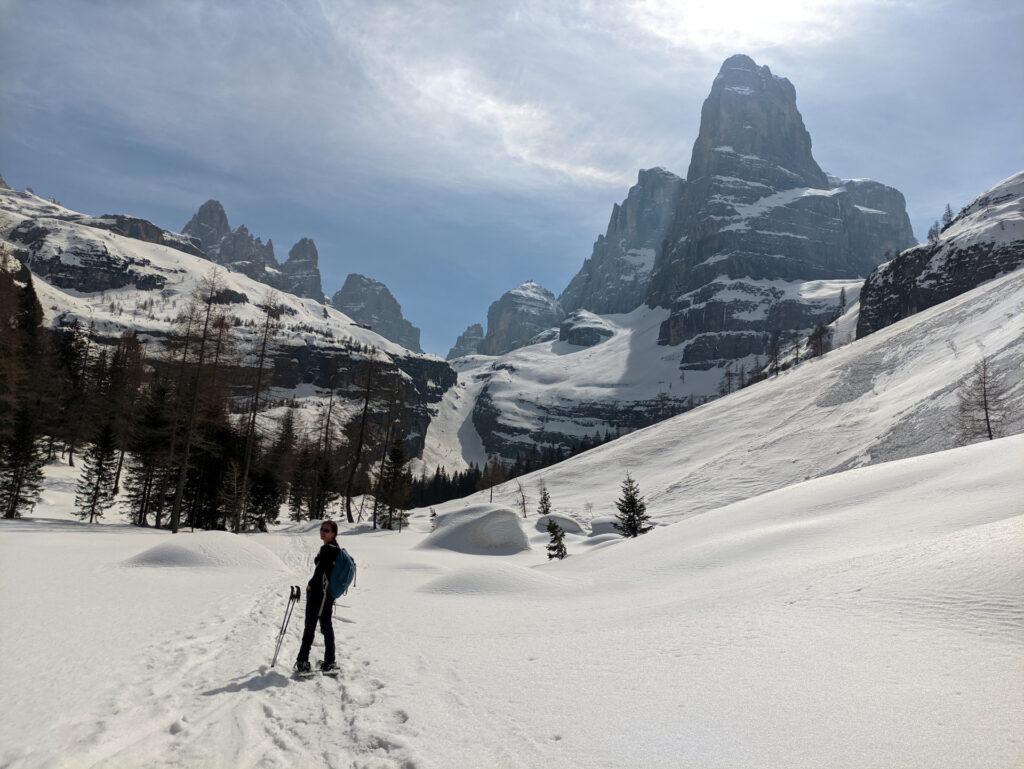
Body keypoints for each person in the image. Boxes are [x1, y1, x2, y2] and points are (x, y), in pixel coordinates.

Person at [295, 520, 341, 674]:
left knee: (310, 627)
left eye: (327, 530)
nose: (323, 532)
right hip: (327, 595)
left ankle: (302, 661)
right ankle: (329, 661)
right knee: (327, 627)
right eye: (322, 529)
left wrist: (310, 585)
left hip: (318, 594)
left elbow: (320, 572)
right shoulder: (335, 548)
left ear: (334, 533)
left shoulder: (327, 549)